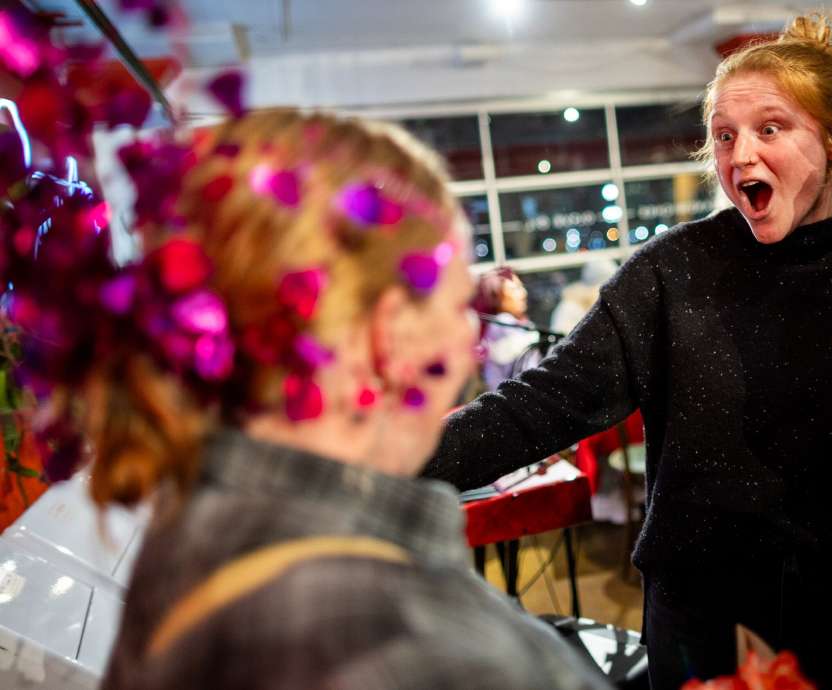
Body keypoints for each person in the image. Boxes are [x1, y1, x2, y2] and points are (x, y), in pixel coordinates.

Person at [424, 15, 832, 690]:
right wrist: (388, 459)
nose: (741, 155)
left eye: (770, 128)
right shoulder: (672, 271)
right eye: (724, 135)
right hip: (703, 628)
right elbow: (541, 403)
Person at [7, 109, 612, 690]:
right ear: (387, 335)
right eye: (457, 307)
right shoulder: (428, 652)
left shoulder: (186, 528)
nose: (468, 341)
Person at [474, 266, 543, 391]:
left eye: (521, 287)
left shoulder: (517, 323)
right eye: (514, 289)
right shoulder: (502, 322)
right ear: (497, 296)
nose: (523, 293)